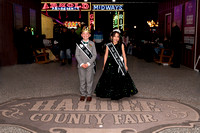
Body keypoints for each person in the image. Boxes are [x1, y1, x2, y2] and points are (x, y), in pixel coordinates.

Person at [95, 29, 138, 100]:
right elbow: (106, 55)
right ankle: (109, 93)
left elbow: (124, 56)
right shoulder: (108, 45)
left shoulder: (121, 45)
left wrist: (125, 65)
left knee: (119, 79)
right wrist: (104, 65)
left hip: (119, 65)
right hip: (109, 64)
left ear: (119, 38)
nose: (116, 38)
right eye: (114, 36)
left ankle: (118, 93)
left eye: (117, 36)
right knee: (108, 79)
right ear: (111, 37)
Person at [75, 26, 97, 102]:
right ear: (81, 35)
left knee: (89, 80)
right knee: (82, 80)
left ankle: (89, 95)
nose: (85, 35)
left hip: (90, 65)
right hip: (81, 66)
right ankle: (82, 94)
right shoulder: (79, 44)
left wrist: (88, 63)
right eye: (83, 34)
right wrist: (81, 63)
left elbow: (94, 55)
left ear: (89, 35)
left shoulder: (92, 44)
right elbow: (77, 55)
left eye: (87, 34)